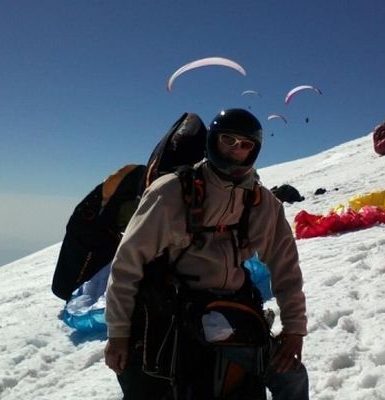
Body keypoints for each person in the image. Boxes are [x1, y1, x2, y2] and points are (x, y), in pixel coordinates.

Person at [104, 108, 309, 399]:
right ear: (213, 140)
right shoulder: (171, 194)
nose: (236, 150)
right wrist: (119, 334)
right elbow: (127, 264)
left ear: (256, 150)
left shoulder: (263, 205)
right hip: (177, 316)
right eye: (228, 140)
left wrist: (295, 330)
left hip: (235, 313)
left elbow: (286, 267)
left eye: (246, 145)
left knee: (292, 378)